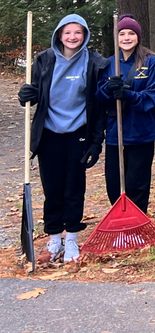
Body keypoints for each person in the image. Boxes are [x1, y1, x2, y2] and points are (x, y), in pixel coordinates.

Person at [18, 14, 108, 263]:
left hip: (78, 132)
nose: (72, 37)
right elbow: (34, 94)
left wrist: (95, 142)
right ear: (59, 34)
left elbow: (99, 106)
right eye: (68, 32)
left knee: (74, 188)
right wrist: (25, 95)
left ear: (85, 35)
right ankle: (54, 239)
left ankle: (71, 241)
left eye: (78, 32)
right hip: (49, 132)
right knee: (53, 188)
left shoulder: (94, 62)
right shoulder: (44, 59)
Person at [96, 14, 155, 214]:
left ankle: (138, 222)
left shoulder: (150, 62)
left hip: (141, 132)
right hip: (116, 133)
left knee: (138, 182)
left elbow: (152, 96)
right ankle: (120, 219)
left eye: (131, 33)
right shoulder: (107, 64)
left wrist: (127, 94)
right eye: (122, 33)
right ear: (116, 37)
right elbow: (98, 96)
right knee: (115, 183)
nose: (126, 37)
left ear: (138, 36)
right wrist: (109, 89)